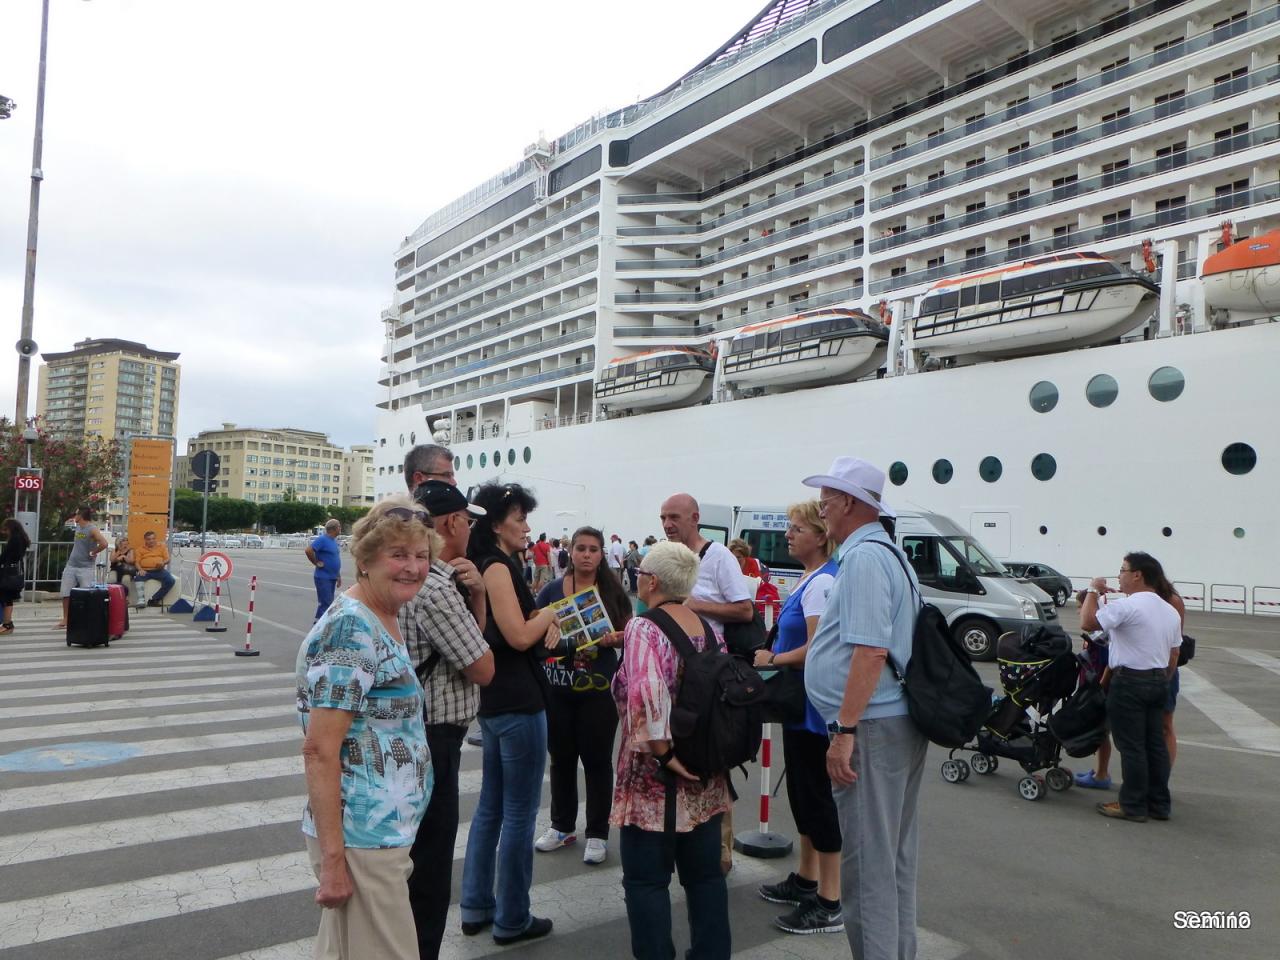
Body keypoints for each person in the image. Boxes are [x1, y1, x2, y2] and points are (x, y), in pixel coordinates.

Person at [296, 495, 435, 960]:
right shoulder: (352, 630)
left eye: (421, 556)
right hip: (362, 836)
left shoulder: (383, 616)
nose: (412, 567)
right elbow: (319, 749)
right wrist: (335, 861)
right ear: (366, 560)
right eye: (398, 555)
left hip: (376, 830)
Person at [802, 456, 926, 960]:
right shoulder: (886, 553)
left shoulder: (866, 558)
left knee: (868, 869)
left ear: (849, 503)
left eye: (826, 500)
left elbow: (870, 650)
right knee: (892, 861)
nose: (822, 510)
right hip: (891, 723)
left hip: (872, 728)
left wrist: (845, 729)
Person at [612, 540, 732, 960]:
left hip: (655, 782)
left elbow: (647, 694)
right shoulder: (706, 629)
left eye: (640, 572)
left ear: (652, 582)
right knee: (705, 881)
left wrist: (665, 754)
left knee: (646, 883)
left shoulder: (645, 627)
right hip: (706, 777)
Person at [460, 482, 560, 946]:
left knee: (491, 808)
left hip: (495, 700)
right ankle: (512, 917)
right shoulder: (497, 567)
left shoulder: (487, 564)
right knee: (518, 813)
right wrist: (551, 615)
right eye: (519, 518)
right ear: (498, 523)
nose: (526, 526)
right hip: (519, 700)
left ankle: (476, 904)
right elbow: (519, 635)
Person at [398, 480, 495, 960]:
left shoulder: (402, 578)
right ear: (453, 523)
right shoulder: (436, 587)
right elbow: (482, 666)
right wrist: (476, 598)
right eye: (468, 521)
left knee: (412, 854)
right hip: (436, 735)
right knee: (432, 863)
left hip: (408, 729)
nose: (470, 529)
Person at [751, 500, 844, 935]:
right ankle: (807, 880)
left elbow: (817, 648)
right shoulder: (810, 578)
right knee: (804, 798)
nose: (788, 534)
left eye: (797, 528)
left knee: (818, 801)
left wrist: (775, 657)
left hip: (813, 710)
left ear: (821, 535)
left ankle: (830, 900)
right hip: (800, 708)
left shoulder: (823, 584)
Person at [659, 493, 753, 873]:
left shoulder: (718, 557)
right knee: (675, 760)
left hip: (710, 679)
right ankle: (681, 845)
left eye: (674, 517)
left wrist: (696, 606)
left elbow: (744, 609)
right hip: (674, 675)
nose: (667, 524)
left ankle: (721, 853)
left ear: (695, 518)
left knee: (712, 761)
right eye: (663, 517)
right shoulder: (666, 558)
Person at [534, 527, 632, 865]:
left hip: (599, 690)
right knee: (560, 760)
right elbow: (531, 623)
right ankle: (562, 827)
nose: (587, 554)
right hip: (557, 688)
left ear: (602, 554)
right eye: (580, 548)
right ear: (570, 552)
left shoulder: (613, 592)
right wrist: (546, 626)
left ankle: (598, 833)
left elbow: (630, 633)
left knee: (596, 762)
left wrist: (613, 639)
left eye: (593, 549)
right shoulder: (550, 590)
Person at [1079, 552, 1182, 822]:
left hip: (1129, 682)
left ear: (1138, 575)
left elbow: (1087, 623)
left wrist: (1092, 590)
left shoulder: (1129, 606)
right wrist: (1163, 678)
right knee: (1154, 744)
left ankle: (1133, 804)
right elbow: (1174, 654)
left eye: (1123, 570)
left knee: (1132, 746)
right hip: (1159, 679)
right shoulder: (1169, 609)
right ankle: (1159, 804)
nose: (1119, 575)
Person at [57, 507, 109, 628]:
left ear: (81, 515)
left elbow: (104, 543)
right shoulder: (78, 526)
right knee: (66, 593)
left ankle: (86, 618)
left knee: (87, 595)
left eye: (76, 514)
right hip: (71, 564)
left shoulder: (92, 529)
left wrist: (94, 551)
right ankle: (66, 618)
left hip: (85, 567)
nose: (74, 516)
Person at [306, 520, 344, 622]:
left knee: (328, 603)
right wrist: (316, 562)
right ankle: (320, 627)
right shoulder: (323, 539)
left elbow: (334, 558)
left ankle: (318, 624)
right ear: (334, 528)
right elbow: (308, 550)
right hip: (323, 577)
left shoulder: (334, 541)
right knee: (326, 603)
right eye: (339, 526)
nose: (340, 528)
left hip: (332, 577)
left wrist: (338, 576)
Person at [0, 518, 31, 635]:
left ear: (11, 528)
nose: (5, 532)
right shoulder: (22, 538)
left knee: (6, 598)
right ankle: (7, 624)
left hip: (8, 573)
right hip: (14, 573)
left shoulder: (15, 539)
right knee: (7, 598)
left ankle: (7, 624)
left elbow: (5, 555)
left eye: (6, 529)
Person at [134, 530, 177, 608]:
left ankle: (154, 599)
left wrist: (163, 563)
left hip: (159, 570)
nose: (151, 541)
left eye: (153, 538)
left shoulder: (162, 546)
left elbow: (168, 559)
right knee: (138, 578)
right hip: (146, 571)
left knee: (170, 580)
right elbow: (137, 562)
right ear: (145, 540)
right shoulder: (140, 549)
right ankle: (141, 600)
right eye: (149, 539)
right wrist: (140, 569)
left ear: (155, 539)